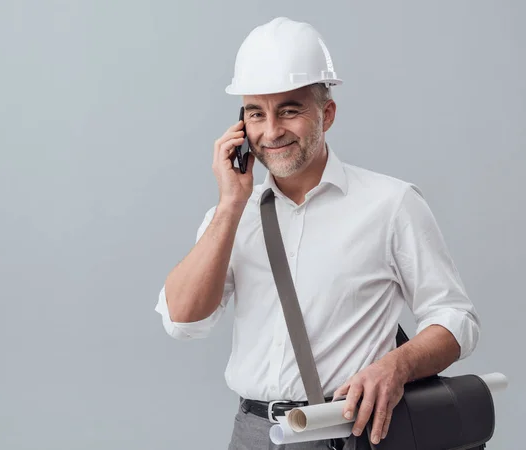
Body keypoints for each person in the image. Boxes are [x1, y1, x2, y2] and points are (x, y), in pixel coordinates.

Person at [155, 17, 481, 450]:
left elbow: (457, 319)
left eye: (289, 110)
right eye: (256, 113)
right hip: (251, 433)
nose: (271, 131)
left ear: (326, 114)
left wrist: (397, 366)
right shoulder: (232, 216)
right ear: (241, 125)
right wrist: (232, 203)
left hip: (347, 430)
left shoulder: (391, 203)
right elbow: (183, 321)